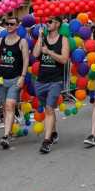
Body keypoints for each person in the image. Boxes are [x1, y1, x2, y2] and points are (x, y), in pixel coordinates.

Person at [32, 17, 68, 154]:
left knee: (49, 108)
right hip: (41, 80)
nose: (47, 23)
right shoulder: (43, 38)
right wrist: (40, 37)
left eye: (50, 21)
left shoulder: (63, 39)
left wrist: (49, 52)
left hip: (55, 80)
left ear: (57, 24)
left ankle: (46, 141)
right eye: (46, 21)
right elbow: (35, 54)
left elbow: (64, 59)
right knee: (49, 110)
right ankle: (53, 132)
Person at [0, 18, 28, 150]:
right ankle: (9, 131)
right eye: (7, 24)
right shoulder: (0, 40)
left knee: (10, 105)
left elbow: (26, 60)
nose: (9, 26)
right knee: (5, 107)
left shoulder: (22, 42)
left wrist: (23, 76)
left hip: (15, 79)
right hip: (1, 79)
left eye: (12, 24)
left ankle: (5, 136)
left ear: (17, 26)